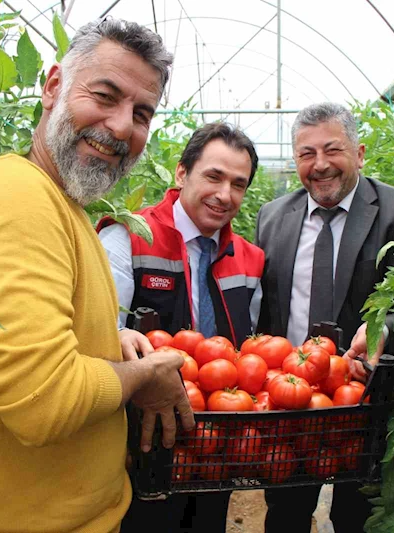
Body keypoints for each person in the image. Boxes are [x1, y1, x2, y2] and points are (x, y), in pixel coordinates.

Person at [0, 18, 194, 533]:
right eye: (105, 96)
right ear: (52, 87)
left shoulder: (65, 208)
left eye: (141, 113)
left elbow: (23, 339)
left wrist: (108, 340)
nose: (119, 126)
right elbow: (43, 402)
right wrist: (145, 376)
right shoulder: (14, 197)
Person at [255, 102, 394, 532]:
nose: (320, 165)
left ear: (359, 153)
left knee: (356, 515)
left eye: (333, 150)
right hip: (292, 397)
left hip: (363, 398)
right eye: (307, 154)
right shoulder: (272, 217)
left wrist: (383, 325)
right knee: (286, 512)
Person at [97, 122, 263, 532]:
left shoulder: (250, 259)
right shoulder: (128, 237)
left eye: (238, 184)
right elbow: (99, 333)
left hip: (218, 435)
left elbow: (251, 350)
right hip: (146, 436)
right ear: (182, 173)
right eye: (214, 176)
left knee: (208, 521)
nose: (225, 195)